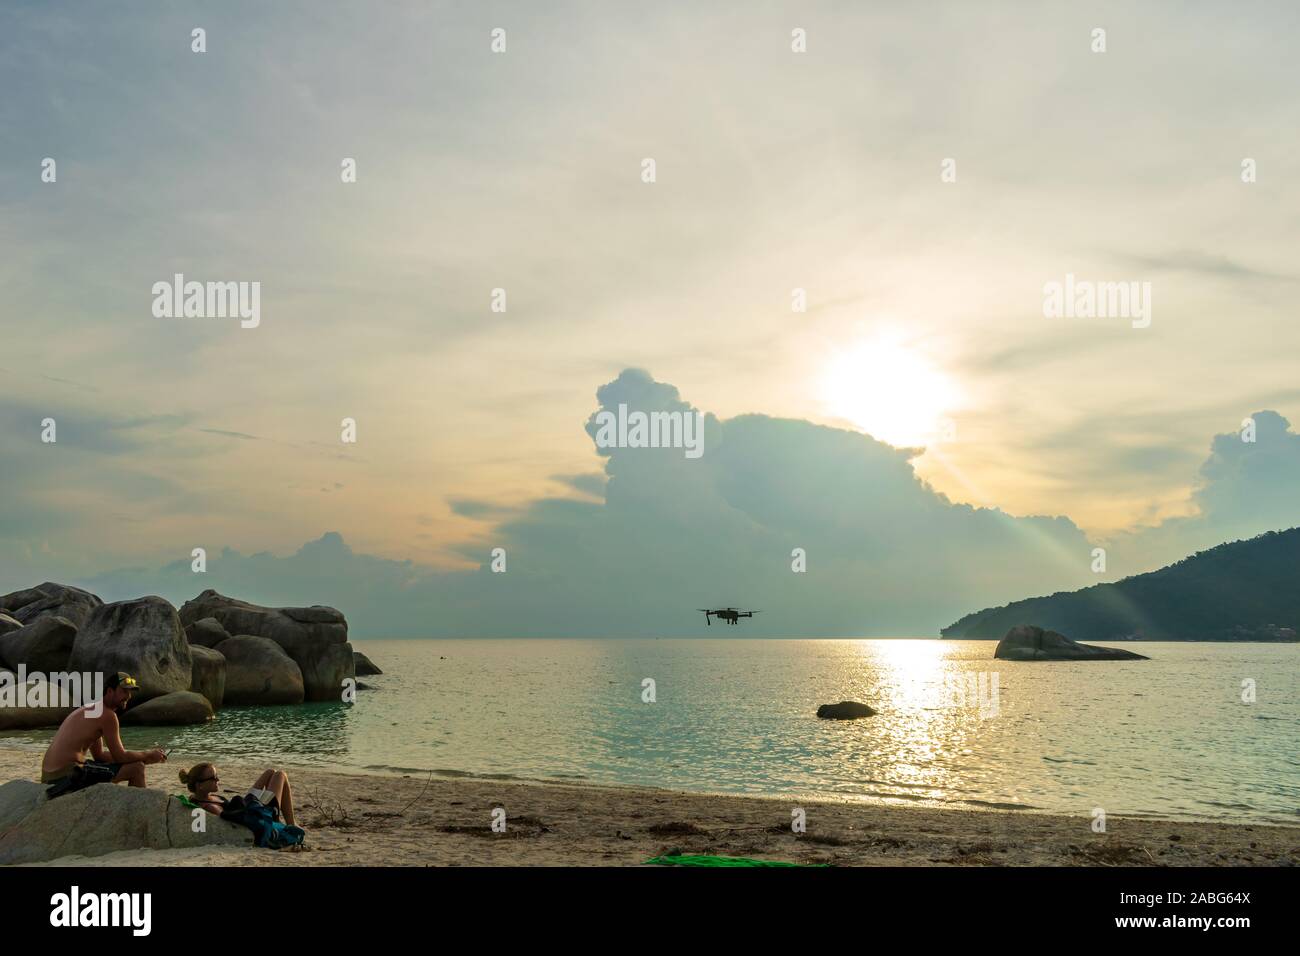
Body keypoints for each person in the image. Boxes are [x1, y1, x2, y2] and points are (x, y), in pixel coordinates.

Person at [40, 672, 167, 796]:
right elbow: (120, 756)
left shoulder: (93, 709)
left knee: (130, 764)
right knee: (136, 769)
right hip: (66, 776)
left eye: (129, 692)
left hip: (50, 775)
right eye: (124, 691)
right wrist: (148, 755)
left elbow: (100, 756)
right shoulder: (108, 715)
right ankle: (138, 813)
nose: (128, 696)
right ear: (110, 691)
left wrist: (141, 757)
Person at [179, 762, 298, 827]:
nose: (218, 779)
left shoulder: (200, 797)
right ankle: (290, 824)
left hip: (248, 805)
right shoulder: (210, 807)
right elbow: (236, 825)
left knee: (270, 772)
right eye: (213, 778)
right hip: (256, 814)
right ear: (200, 785)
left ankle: (274, 810)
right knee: (280, 775)